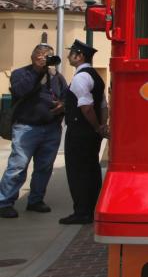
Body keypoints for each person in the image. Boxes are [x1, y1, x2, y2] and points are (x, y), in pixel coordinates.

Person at [0, 44, 68, 219]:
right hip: (26, 128)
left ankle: (36, 200)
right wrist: (37, 70)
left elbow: (66, 96)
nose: (46, 58)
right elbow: (21, 90)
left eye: (49, 56)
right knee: (18, 166)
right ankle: (4, 202)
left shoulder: (56, 77)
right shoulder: (21, 74)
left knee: (44, 168)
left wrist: (63, 106)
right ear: (33, 56)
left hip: (51, 128)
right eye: (42, 55)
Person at [60, 40, 109, 225]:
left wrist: (96, 126)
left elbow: (86, 107)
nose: (68, 56)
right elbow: (103, 105)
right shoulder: (96, 76)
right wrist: (102, 126)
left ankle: (81, 212)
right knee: (91, 169)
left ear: (79, 55)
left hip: (80, 130)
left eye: (71, 53)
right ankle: (92, 207)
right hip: (91, 132)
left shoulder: (81, 77)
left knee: (78, 171)